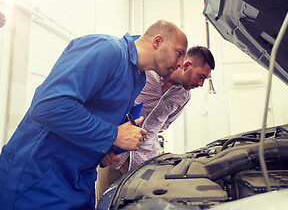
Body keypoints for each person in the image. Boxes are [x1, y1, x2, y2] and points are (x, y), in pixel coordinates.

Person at [0, 20, 188, 210]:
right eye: (179, 53)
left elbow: (91, 118)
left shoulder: (137, 77)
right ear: (158, 41)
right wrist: (114, 134)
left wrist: (106, 148)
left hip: (79, 181)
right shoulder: (108, 50)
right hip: (38, 177)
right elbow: (48, 106)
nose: (181, 64)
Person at [95, 45, 215, 204]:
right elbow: (109, 107)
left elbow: (164, 125)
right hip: (115, 157)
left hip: (146, 163)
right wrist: (106, 143)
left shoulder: (184, 96)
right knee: (106, 205)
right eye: (201, 76)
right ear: (187, 65)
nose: (201, 84)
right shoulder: (146, 73)